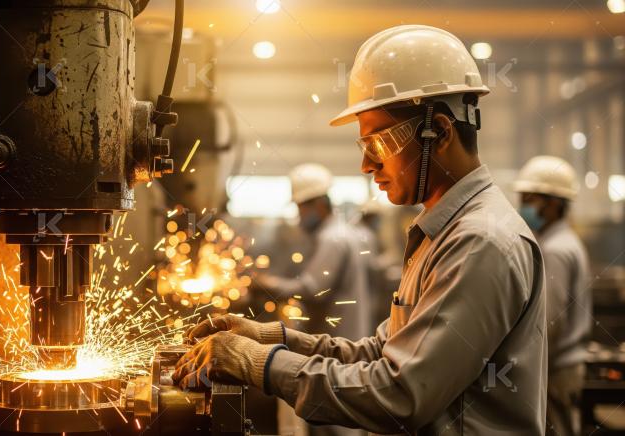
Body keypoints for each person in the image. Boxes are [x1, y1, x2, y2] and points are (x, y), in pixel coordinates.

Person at [172, 24, 548, 435]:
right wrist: (267, 336)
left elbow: (401, 394)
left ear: (438, 131)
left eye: (378, 144)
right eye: (364, 147)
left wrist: (258, 362)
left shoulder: (480, 243)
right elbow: (379, 353)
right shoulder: (443, 233)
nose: (367, 166)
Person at [255, 163, 377, 340]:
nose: (299, 216)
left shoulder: (332, 238)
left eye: (300, 208)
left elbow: (313, 289)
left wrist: (268, 284)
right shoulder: (341, 232)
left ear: (319, 205)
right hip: (346, 335)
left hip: (338, 339)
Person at [514, 155, 591, 436]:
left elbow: (550, 321)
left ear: (554, 204)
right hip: (566, 363)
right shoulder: (565, 241)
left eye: (530, 199)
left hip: (557, 367)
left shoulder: (556, 249)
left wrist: (522, 362)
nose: (524, 206)